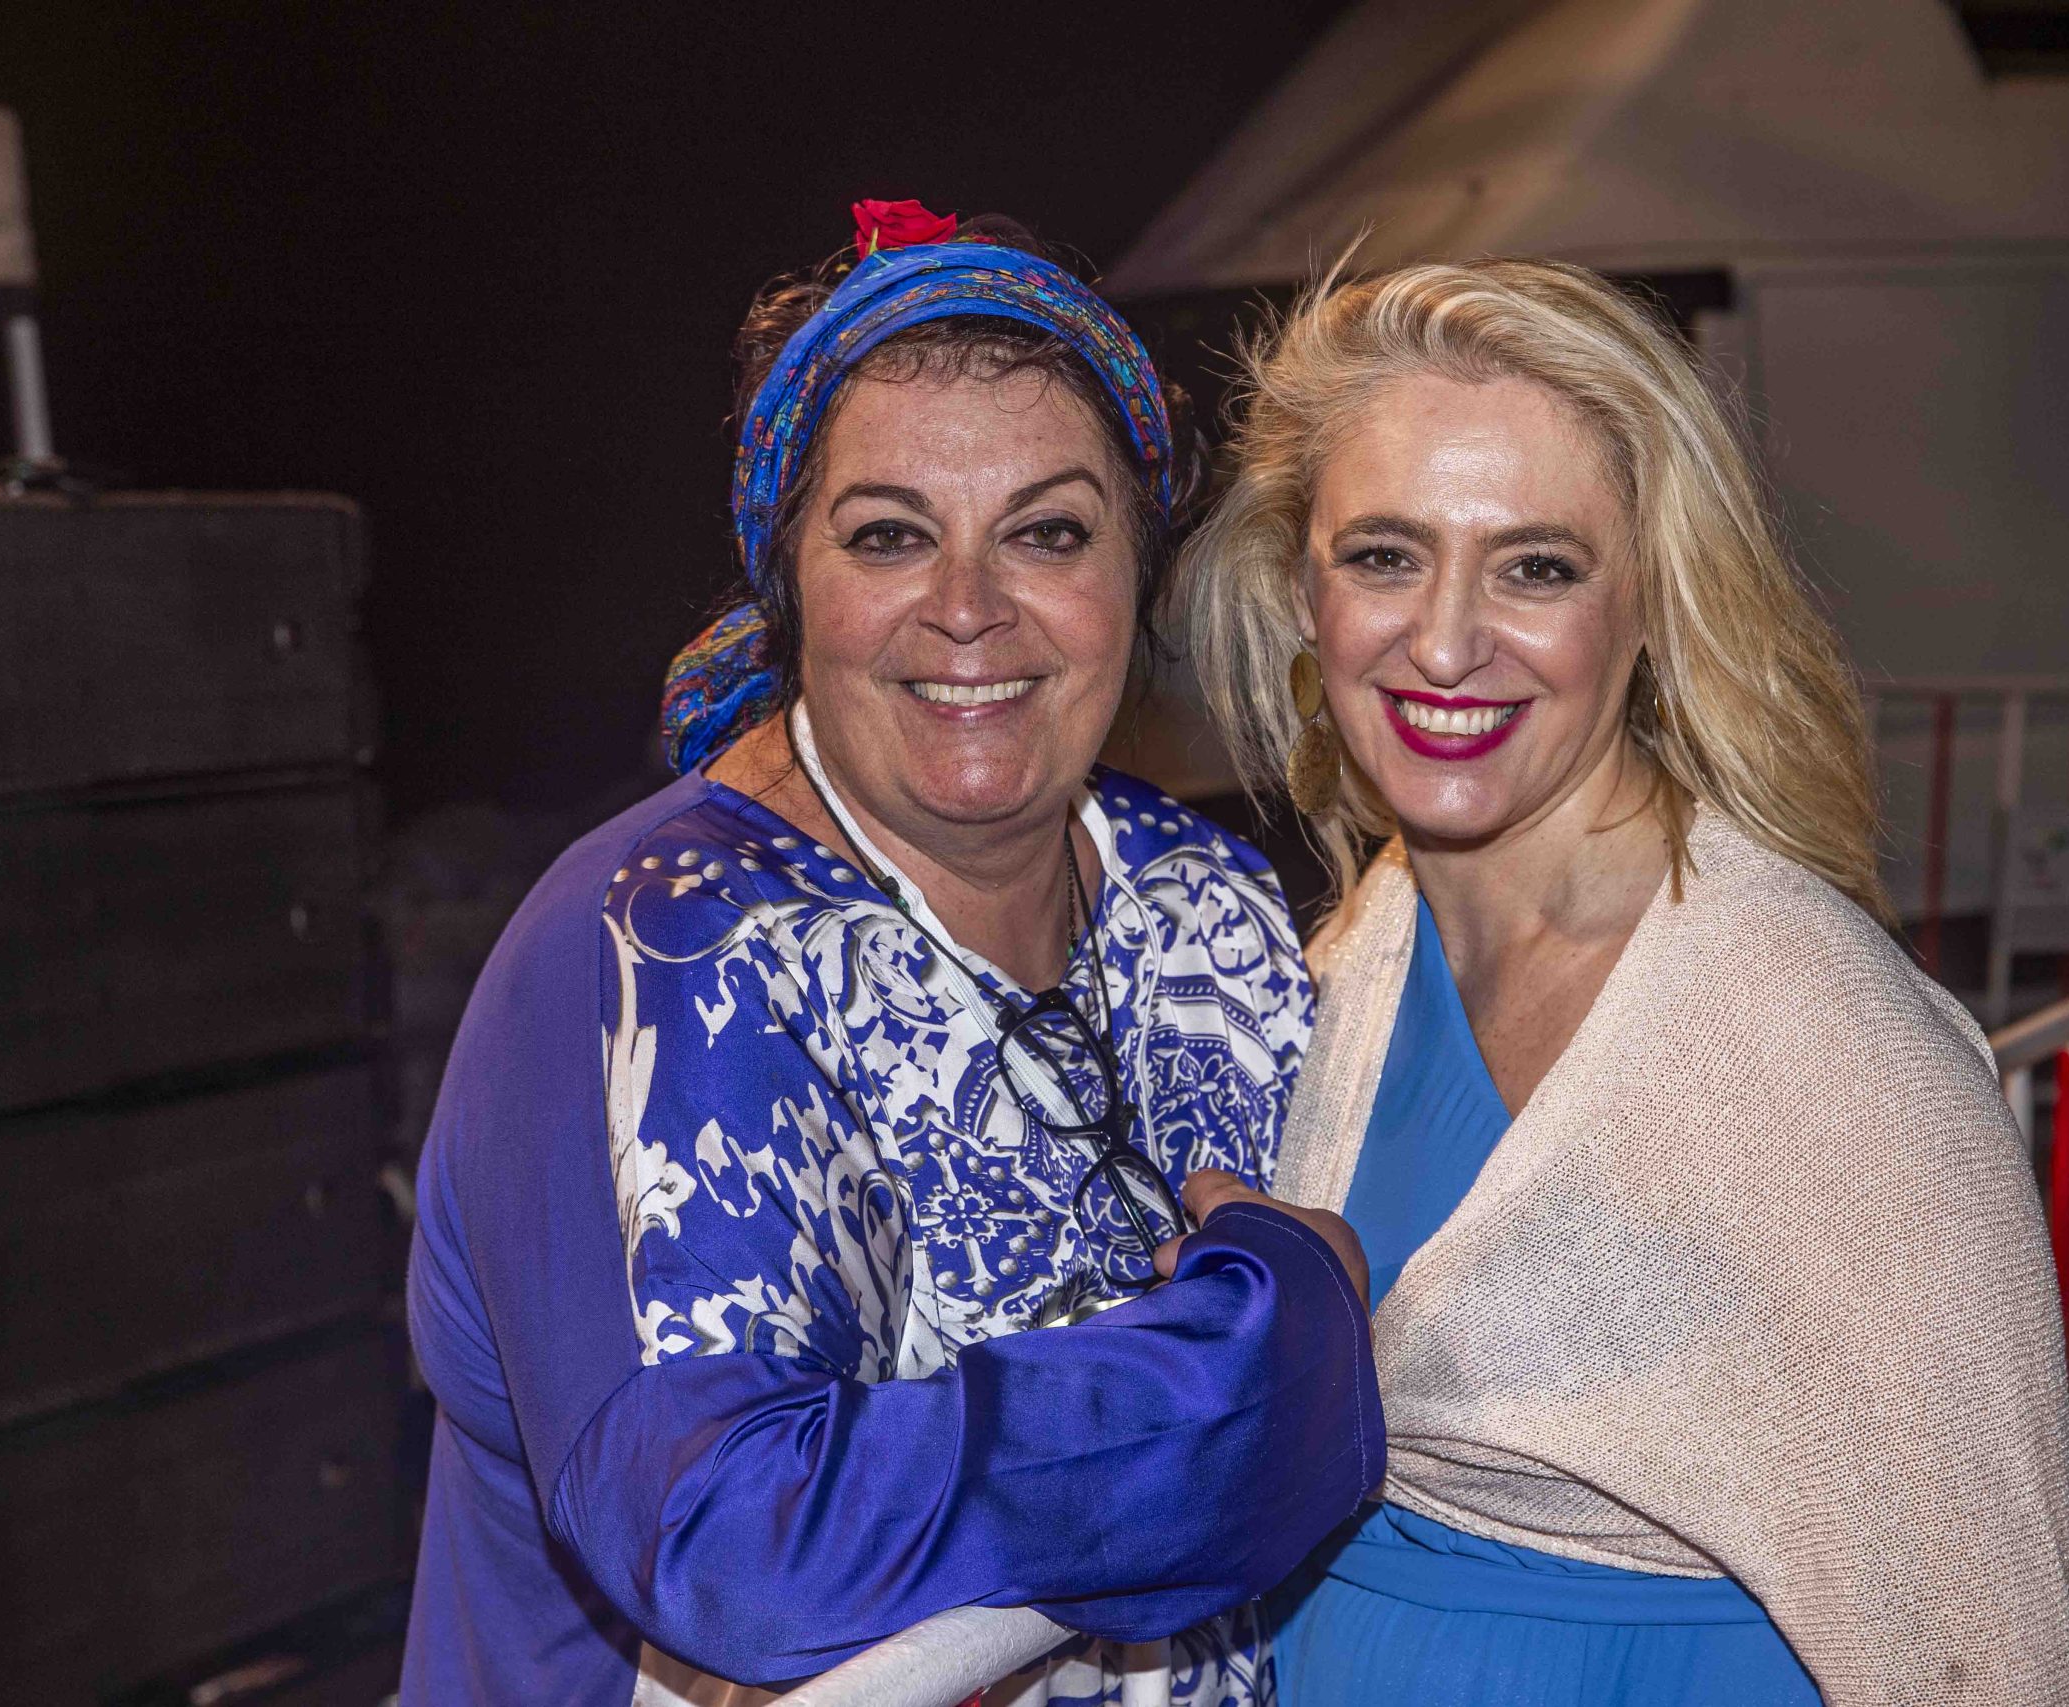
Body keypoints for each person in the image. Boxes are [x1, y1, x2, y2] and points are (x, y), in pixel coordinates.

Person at [400, 201, 1381, 1707]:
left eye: (1048, 532)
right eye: (888, 536)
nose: (969, 608)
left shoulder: (1203, 900)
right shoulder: (656, 949)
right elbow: (732, 1542)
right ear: (790, 578)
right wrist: (1259, 1352)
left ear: (1140, 566)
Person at [1181, 257, 2069, 1705]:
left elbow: (2000, 1646)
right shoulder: (1351, 960)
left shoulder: (1820, 1045)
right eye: (1385, 556)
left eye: (1537, 567)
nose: (1443, 641)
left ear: (1655, 607)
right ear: (1304, 591)